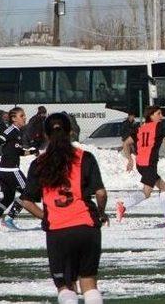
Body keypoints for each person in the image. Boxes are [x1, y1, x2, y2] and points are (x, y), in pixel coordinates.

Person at [20, 113, 108, 304]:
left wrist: (46, 217)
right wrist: (100, 213)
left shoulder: (39, 164)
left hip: (58, 231)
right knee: (89, 283)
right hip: (87, 227)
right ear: (70, 132)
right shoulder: (85, 157)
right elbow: (100, 193)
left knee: (66, 286)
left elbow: (26, 201)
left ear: (45, 135)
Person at [118, 106, 165, 225]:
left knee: (162, 186)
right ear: (151, 115)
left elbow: (126, 143)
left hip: (140, 164)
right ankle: (123, 205)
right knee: (147, 192)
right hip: (149, 164)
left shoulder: (140, 128)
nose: (161, 116)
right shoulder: (159, 127)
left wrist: (130, 159)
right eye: (159, 114)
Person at [0, 108, 39, 229]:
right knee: (28, 193)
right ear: (14, 119)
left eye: (24, 115)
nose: (25, 118)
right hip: (11, 170)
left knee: (8, 197)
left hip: (4, 170)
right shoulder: (11, 130)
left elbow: (18, 151)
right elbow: (1, 139)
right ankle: (9, 219)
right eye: (21, 116)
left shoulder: (17, 132)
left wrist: (32, 151)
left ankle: (6, 219)